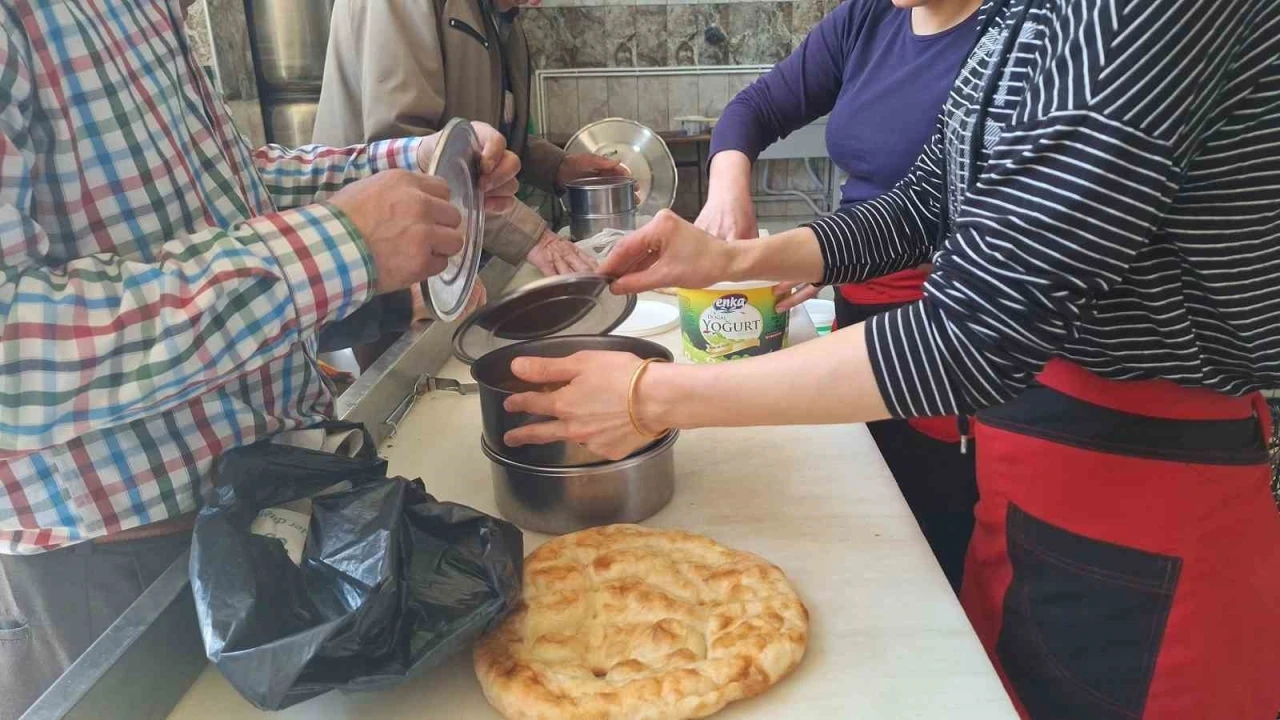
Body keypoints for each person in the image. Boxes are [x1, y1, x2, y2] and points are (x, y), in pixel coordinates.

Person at [498, 0, 1280, 717]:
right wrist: (727, 261)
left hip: (1151, 493)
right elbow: (925, 204)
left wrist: (651, 397)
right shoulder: (1021, 17)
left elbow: (976, 331)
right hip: (1031, 460)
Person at [0, 1, 519, 717]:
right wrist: (341, 245)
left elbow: (221, 192)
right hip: (118, 575)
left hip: (272, 508)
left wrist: (413, 171)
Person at [696, 0, 980, 590]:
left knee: (931, 544)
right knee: (866, 514)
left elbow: (950, 217)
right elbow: (758, 107)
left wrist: (656, 398)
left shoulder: (1023, 32)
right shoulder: (870, 17)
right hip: (857, 304)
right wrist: (730, 192)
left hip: (948, 327)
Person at [313, 0, 626, 368]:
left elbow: (494, 145)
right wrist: (533, 236)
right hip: (387, 268)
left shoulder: (501, 18)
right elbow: (408, 154)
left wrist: (560, 167)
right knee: (411, 398)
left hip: (453, 258)